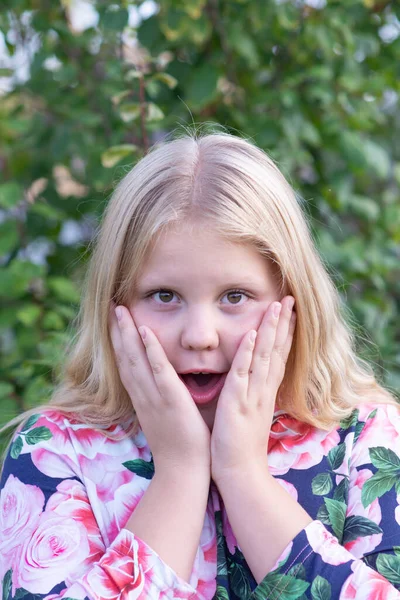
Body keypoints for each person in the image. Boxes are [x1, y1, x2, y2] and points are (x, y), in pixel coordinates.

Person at [0, 130, 399, 600]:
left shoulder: (363, 440)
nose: (199, 336)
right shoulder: (55, 452)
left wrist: (243, 473)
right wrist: (180, 474)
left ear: (293, 302)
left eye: (235, 296)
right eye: (163, 296)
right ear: (115, 307)